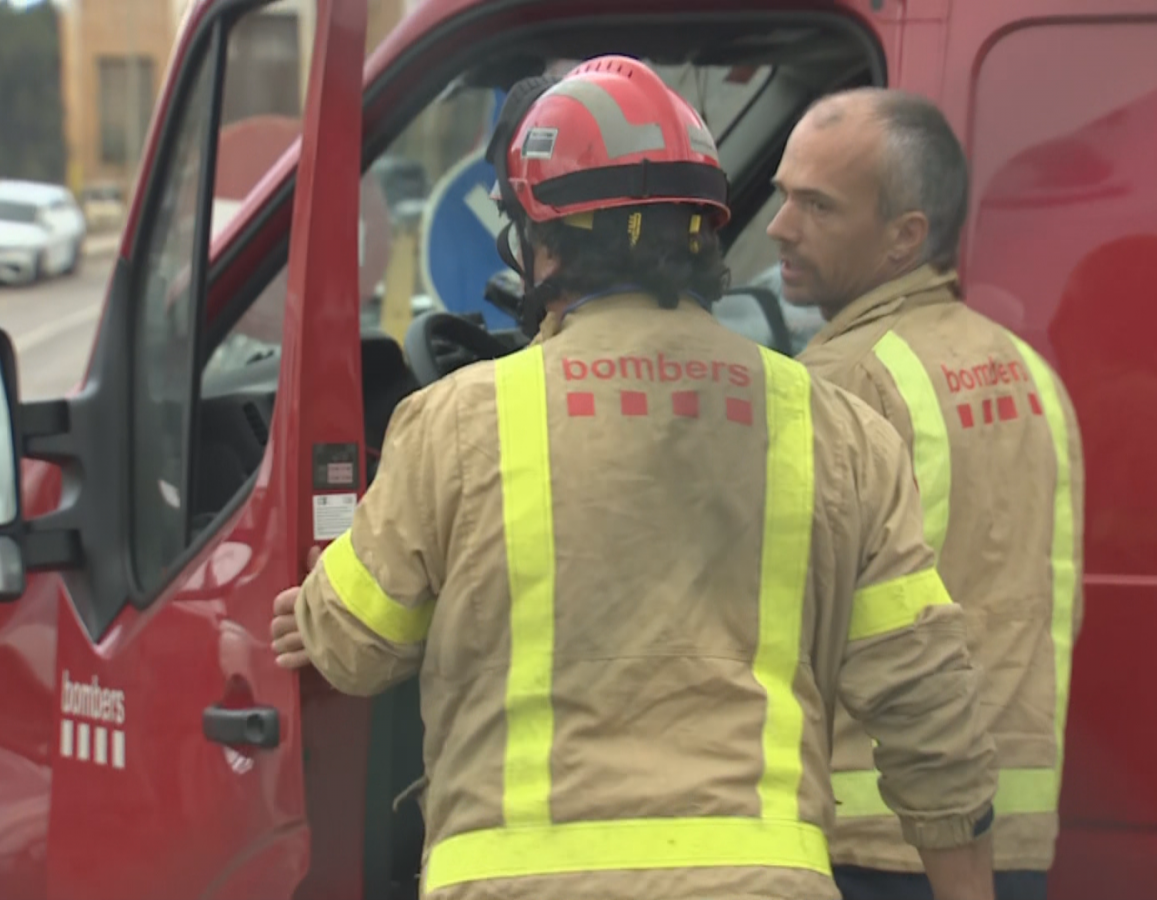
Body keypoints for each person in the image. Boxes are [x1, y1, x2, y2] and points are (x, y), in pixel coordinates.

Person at [271, 59, 999, 900]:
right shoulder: (833, 426)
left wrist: (316, 613)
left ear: (536, 237)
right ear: (703, 229)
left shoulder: (463, 420)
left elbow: (358, 647)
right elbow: (926, 699)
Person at [766, 86, 1086, 900]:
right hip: (1004, 836)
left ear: (906, 237)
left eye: (817, 206)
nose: (779, 228)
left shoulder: (837, 384)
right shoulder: (1029, 372)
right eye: (780, 197)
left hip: (868, 834)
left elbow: (767, 618)